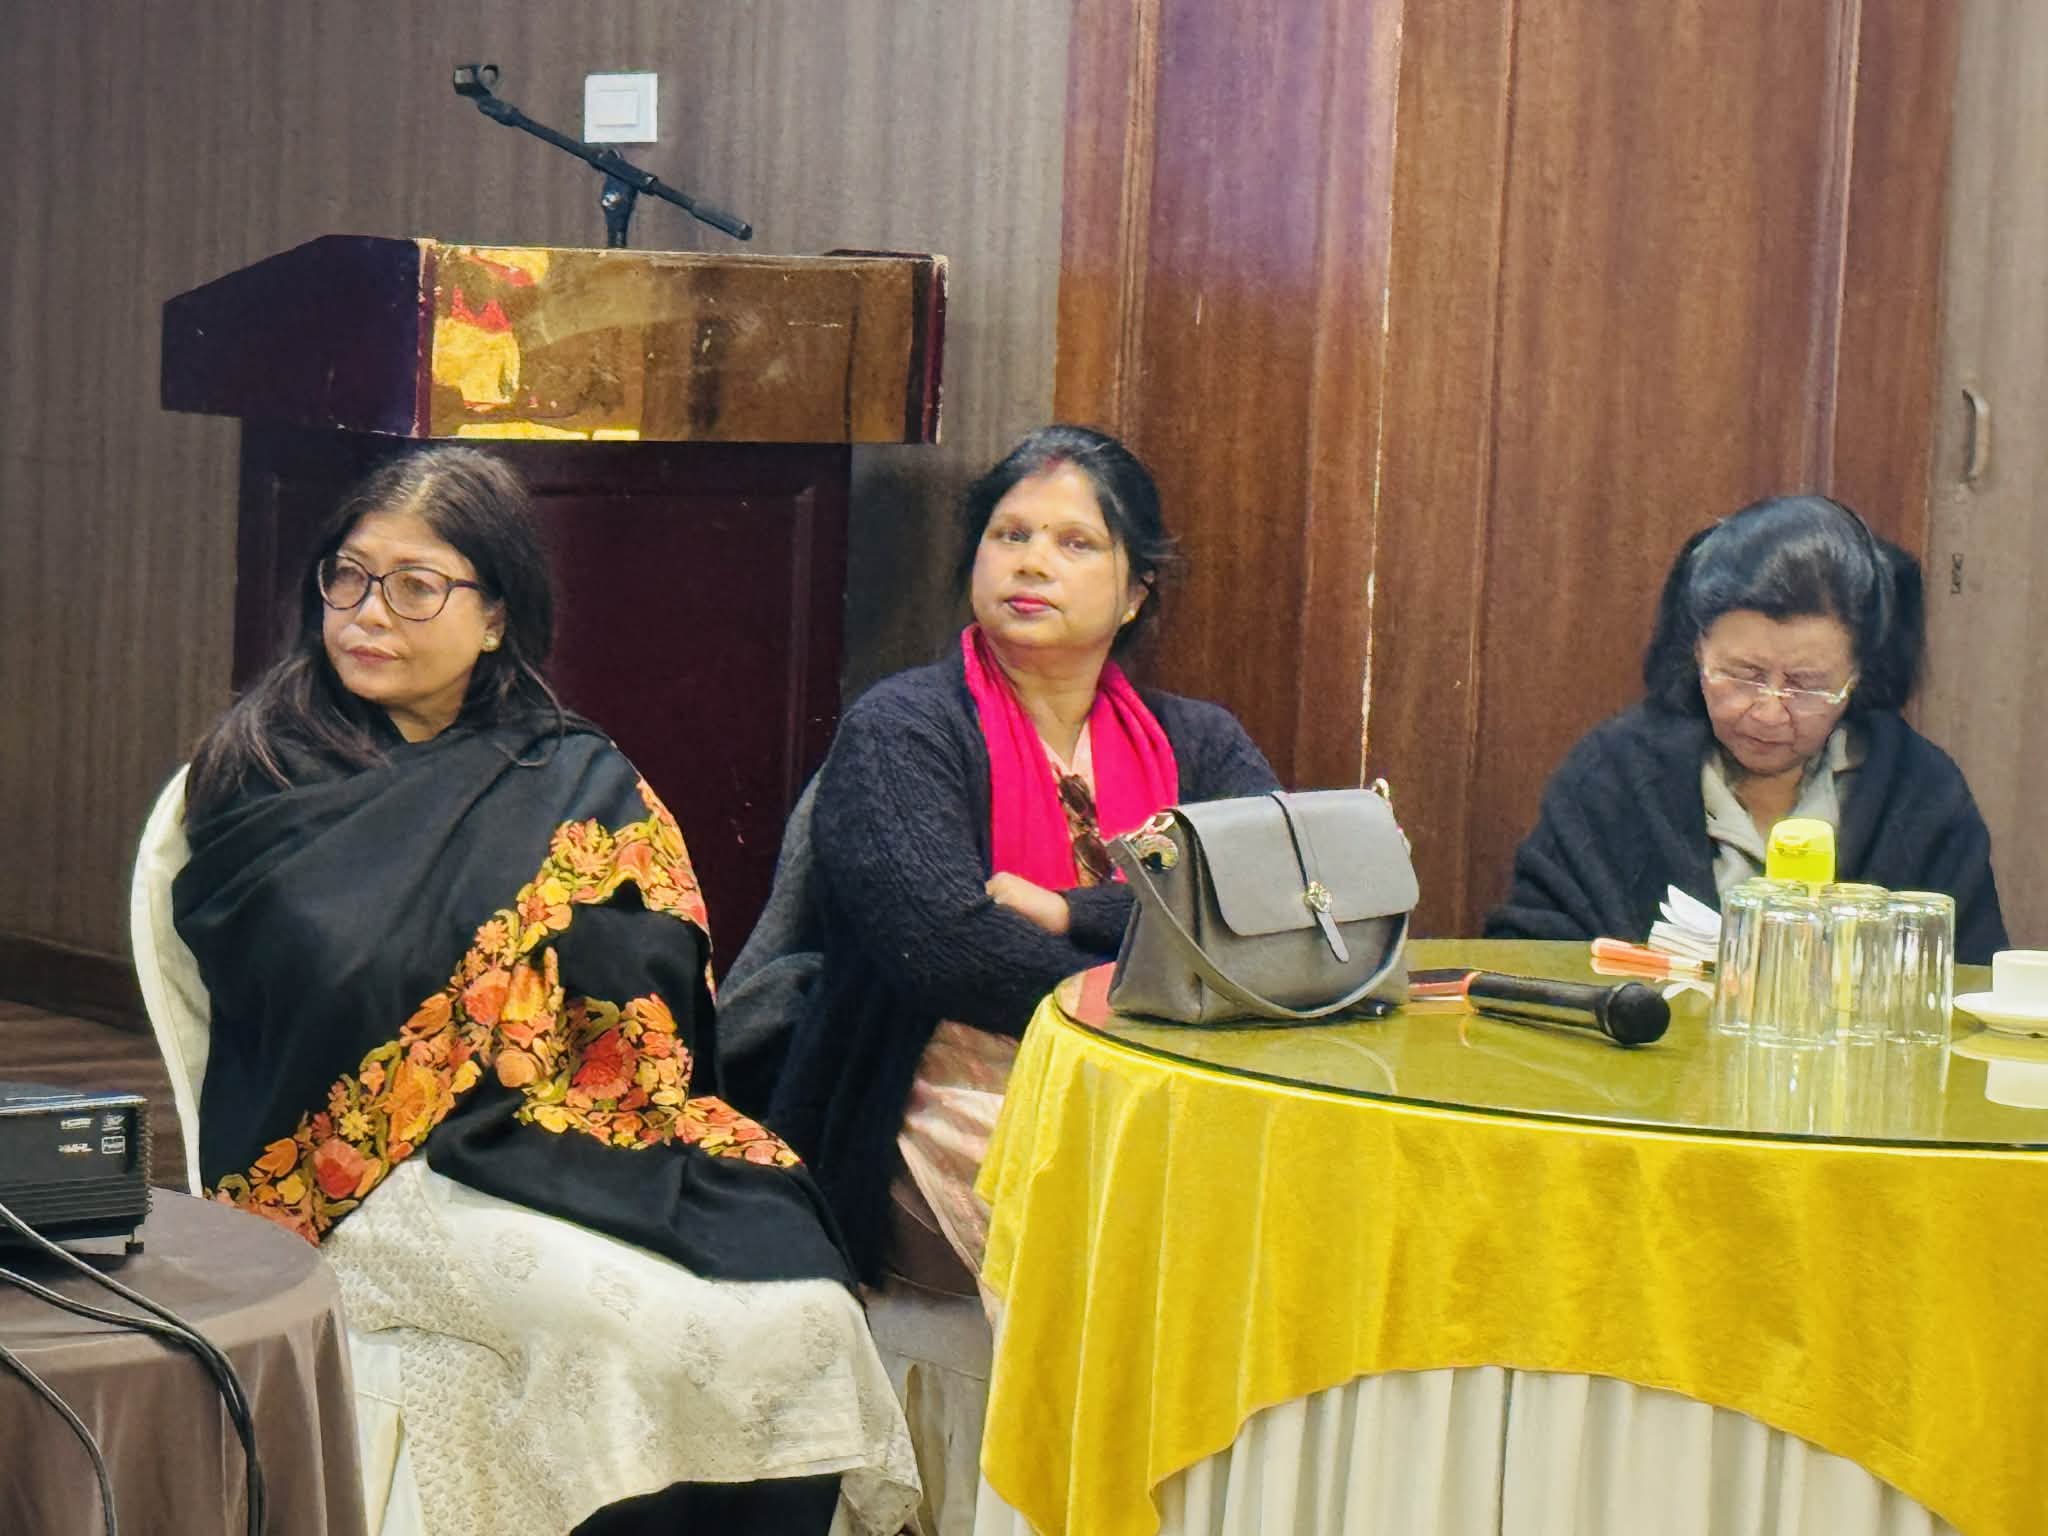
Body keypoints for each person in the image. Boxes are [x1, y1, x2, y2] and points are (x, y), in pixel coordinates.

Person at [172, 448, 915, 1536]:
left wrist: (550, 999)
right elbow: (317, 986)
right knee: (635, 1332)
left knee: (797, 1300)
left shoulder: (572, 773)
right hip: (362, 1173)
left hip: (564, 1130)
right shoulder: (269, 776)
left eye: (415, 586)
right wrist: (494, 992)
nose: (368, 613)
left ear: (495, 616)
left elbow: (650, 984)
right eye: (349, 576)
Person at [763, 425, 1280, 1295]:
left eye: (1076, 543)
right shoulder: (904, 729)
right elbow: (953, 954)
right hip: (937, 1097)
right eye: (1010, 535)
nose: (1032, 562)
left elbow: (1268, 909)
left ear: (1135, 594)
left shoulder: (1200, 741)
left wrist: (1077, 909)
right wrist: (1170, 976)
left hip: (1170, 1085)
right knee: (1161, 1221)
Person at [1487, 494, 2006, 963]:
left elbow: (1971, 982)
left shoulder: (1920, 791)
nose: (1769, 713)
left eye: (1806, 685)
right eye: (1742, 675)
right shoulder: (1612, 776)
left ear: (1857, 676)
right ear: (1697, 651)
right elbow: (1529, 961)